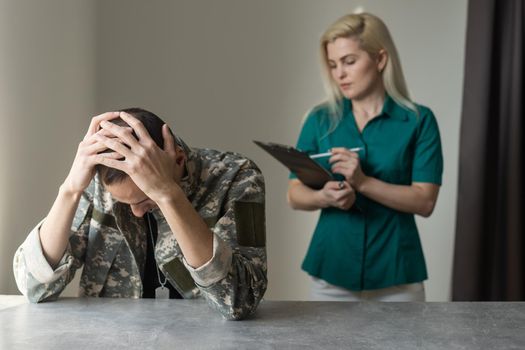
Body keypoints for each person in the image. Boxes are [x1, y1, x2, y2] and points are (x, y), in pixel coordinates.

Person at [13, 108, 267, 320]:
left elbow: (239, 301)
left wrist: (167, 195)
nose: (135, 212)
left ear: (178, 160)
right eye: (124, 202)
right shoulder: (98, 180)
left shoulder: (236, 177)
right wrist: (70, 190)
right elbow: (35, 287)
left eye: (145, 199)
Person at [287, 13, 443, 301]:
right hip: (331, 272)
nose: (339, 74)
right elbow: (294, 194)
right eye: (333, 65)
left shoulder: (419, 120)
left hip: (397, 276)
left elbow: (425, 201)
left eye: (349, 61)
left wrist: (362, 182)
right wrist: (325, 197)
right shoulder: (319, 119)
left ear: (380, 59)